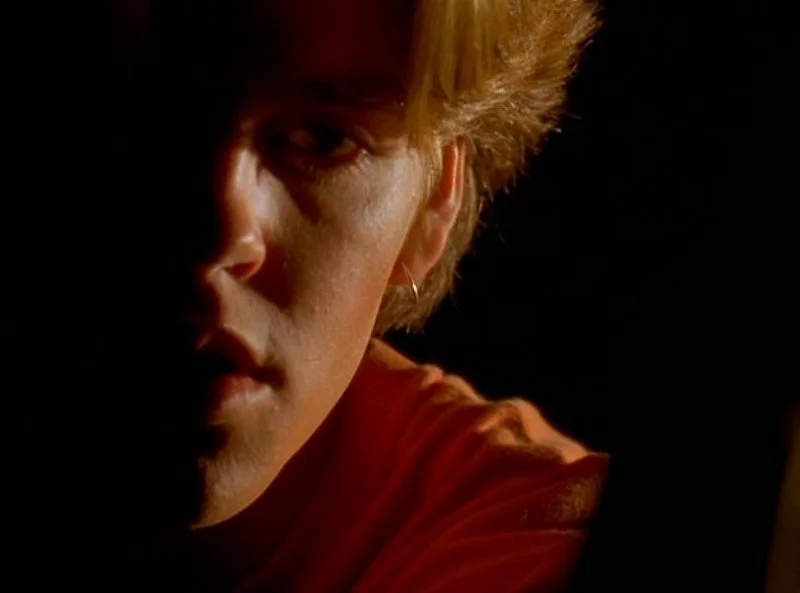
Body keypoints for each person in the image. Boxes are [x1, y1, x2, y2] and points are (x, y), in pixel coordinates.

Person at [79, 0, 608, 590]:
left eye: (323, 138)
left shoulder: (522, 537)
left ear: (435, 205)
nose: (225, 233)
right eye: (150, 119)